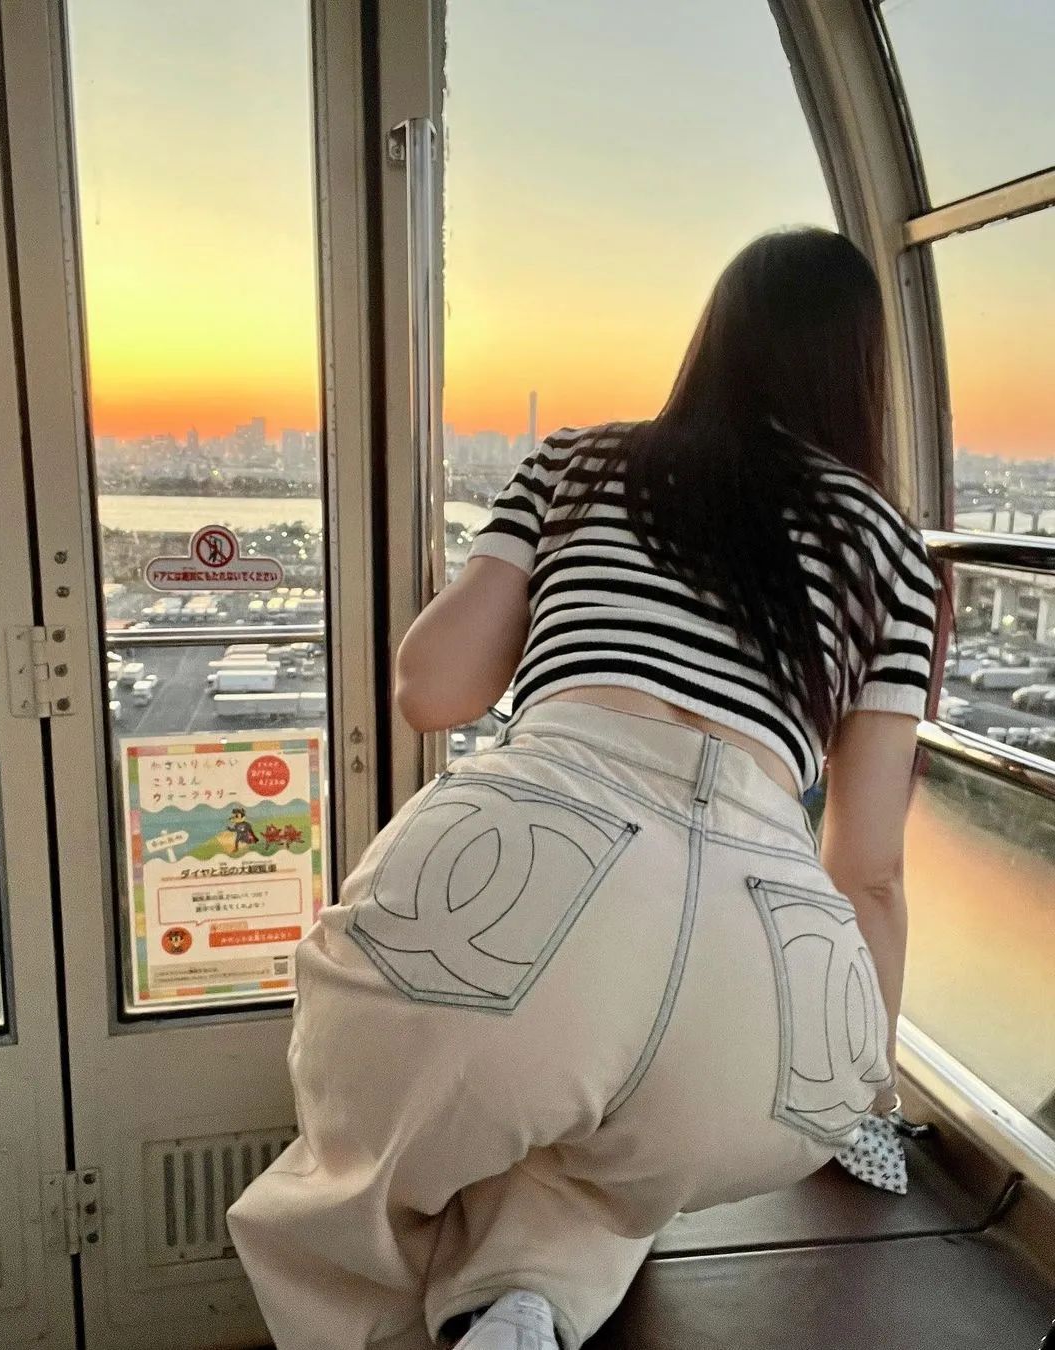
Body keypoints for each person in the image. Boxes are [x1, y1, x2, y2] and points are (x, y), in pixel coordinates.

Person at [227, 227, 938, 1350]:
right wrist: (864, 1093)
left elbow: (432, 689)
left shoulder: (580, 462)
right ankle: (526, 1297)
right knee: (612, 1161)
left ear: (714, 338)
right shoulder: (892, 548)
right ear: (863, 369)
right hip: (766, 987)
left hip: (530, 856)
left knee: (355, 1186)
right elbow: (872, 870)